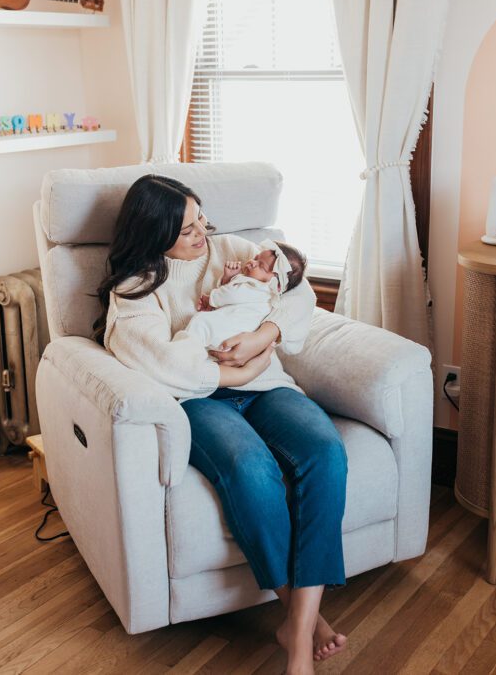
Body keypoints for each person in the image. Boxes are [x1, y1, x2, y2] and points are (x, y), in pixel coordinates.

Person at [94, 174, 348, 674]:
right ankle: (301, 627)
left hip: (267, 389)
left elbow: (296, 292)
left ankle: (297, 625)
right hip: (198, 400)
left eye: (201, 218)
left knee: (326, 452)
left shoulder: (231, 248)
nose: (203, 233)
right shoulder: (135, 290)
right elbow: (159, 362)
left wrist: (264, 337)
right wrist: (238, 369)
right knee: (252, 470)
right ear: (155, 233)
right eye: (188, 229)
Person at [180, 239, 307, 350]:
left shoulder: (260, 288)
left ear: (277, 284)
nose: (252, 262)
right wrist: (228, 278)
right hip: (234, 336)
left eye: (261, 266)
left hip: (228, 332)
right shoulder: (260, 289)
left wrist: (211, 298)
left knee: (200, 322)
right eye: (256, 258)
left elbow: (232, 295)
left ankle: (183, 348)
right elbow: (234, 298)